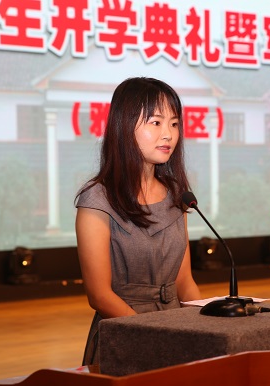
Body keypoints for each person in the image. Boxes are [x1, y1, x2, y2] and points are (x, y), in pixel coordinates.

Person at [74, 77, 202, 365]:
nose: (168, 134)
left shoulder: (176, 194)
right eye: (156, 123)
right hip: (126, 335)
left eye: (174, 123)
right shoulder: (97, 199)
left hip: (177, 330)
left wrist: (202, 330)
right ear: (124, 126)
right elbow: (99, 295)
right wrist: (151, 337)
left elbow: (185, 283)